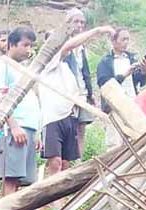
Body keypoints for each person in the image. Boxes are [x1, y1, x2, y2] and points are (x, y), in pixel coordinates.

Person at [40, 25, 115, 176]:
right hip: (53, 118)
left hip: (69, 117)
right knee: (55, 162)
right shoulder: (48, 63)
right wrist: (97, 31)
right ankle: (51, 198)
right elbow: (69, 45)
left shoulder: (66, 68)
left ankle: (61, 199)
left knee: (66, 163)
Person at [0, 26, 41, 196]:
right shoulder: (2, 66)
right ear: (11, 44)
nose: (28, 50)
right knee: (10, 178)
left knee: (21, 181)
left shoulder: (23, 69)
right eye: (25, 45)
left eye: (31, 46)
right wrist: (13, 126)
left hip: (29, 127)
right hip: (14, 129)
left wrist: (37, 132)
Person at [96, 28, 146, 147]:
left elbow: (140, 81)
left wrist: (144, 71)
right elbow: (104, 85)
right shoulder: (105, 62)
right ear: (114, 41)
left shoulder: (131, 58)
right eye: (123, 39)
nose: (126, 42)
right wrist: (124, 75)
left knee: (135, 141)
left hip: (132, 104)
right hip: (114, 106)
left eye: (128, 39)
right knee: (114, 142)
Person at [64, 8, 96, 156]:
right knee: (69, 127)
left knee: (81, 128)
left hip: (82, 92)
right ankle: (68, 160)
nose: (79, 25)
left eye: (82, 22)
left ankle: (78, 159)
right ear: (68, 23)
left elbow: (85, 72)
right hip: (67, 93)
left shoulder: (82, 48)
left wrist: (90, 93)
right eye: (76, 21)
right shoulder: (63, 46)